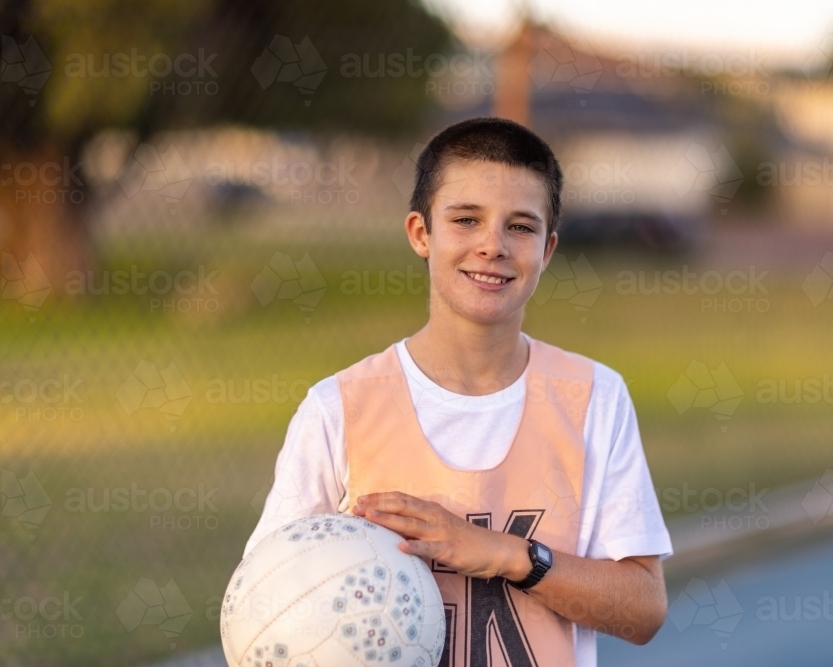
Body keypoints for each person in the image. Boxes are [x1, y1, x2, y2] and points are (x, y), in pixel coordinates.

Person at [244, 116, 672, 667]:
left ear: (547, 249)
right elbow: (266, 605)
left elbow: (642, 611)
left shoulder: (593, 398)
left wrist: (507, 555)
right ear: (422, 233)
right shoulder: (339, 409)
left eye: (521, 226)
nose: (492, 245)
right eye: (466, 219)